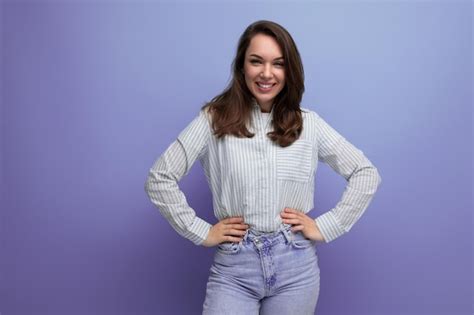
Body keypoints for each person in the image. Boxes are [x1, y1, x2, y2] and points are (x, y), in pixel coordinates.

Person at [144, 20, 382, 315]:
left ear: (289, 70)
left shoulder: (309, 125)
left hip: (296, 269)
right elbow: (160, 177)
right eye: (256, 61)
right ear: (242, 66)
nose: (266, 73)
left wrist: (326, 226)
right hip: (234, 268)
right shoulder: (212, 120)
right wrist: (201, 231)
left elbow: (365, 173)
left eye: (278, 64)